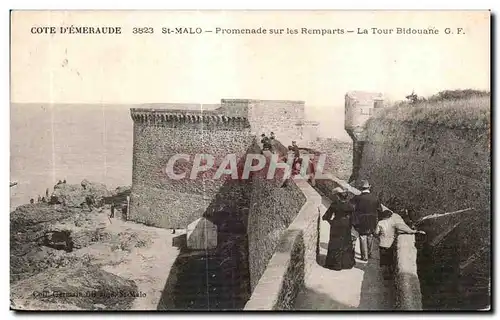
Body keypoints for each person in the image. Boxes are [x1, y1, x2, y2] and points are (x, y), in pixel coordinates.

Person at [375, 208, 425, 279]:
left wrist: (380, 235)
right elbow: (404, 228)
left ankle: (385, 274)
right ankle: (390, 272)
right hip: (390, 244)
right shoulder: (393, 222)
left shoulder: (380, 223)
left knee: (383, 259)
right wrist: (415, 231)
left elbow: (376, 232)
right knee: (390, 258)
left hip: (382, 243)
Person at [322, 187, 356, 270]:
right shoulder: (350, 206)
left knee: (335, 243)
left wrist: (331, 222)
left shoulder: (335, 204)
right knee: (346, 243)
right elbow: (354, 218)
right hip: (346, 225)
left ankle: (334, 264)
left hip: (336, 224)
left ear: (338, 196)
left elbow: (326, 216)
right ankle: (346, 264)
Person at [350, 180, 382, 261]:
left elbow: (350, 207)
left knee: (363, 236)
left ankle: (365, 256)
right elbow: (380, 209)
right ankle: (370, 253)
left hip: (361, 220)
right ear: (369, 187)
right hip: (372, 220)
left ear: (361, 188)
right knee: (370, 236)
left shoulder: (357, 197)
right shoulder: (375, 198)